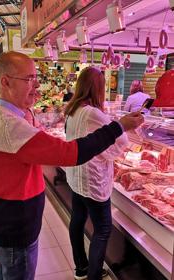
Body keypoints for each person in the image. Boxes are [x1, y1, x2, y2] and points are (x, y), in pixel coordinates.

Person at [0, 51, 143, 280]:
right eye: (29, 80)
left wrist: (28, 105)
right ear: (5, 82)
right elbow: (71, 153)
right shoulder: (8, 125)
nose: (36, 86)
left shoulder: (7, 115)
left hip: (6, 220)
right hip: (14, 226)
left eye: (36, 79)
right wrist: (119, 127)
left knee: (7, 273)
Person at [65, 67, 129, 280]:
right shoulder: (93, 113)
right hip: (93, 180)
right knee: (102, 230)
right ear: (98, 88)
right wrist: (127, 125)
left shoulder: (74, 109)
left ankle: (81, 268)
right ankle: (93, 276)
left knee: (78, 220)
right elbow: (120, 142)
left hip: (76, 177)